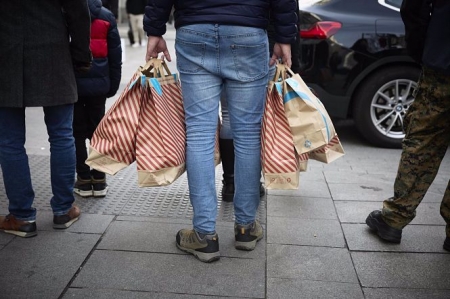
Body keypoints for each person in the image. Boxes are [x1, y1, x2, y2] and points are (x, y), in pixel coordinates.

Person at [144, 0, 297, 262]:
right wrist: (284, 35)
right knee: (248, 135)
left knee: (199, 134)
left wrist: (155, 29)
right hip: (247, 31)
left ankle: (204, 234)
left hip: (195, 27)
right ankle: (246, 227)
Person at [0, 1, 92, 237]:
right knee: (61, 135)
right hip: (54, 52)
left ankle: (21, 217)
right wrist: (81, 55)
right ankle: (63, 209)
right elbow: (78, 9)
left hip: (5, 54)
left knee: (9, 141)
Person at [366, 0, 450, 251]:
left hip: (444, 61)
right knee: (423, 138)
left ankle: (395, 217)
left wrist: (425, 47)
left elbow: (415, 7)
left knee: (424, 140)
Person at [219, 0, 302, 202]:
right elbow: (287, 8)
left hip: (215, 36)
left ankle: (230, 183)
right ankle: (250, 187)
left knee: (229, 116)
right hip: (261, 44)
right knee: (251, 122)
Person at [73, 0, 122, 198]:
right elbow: (115, 54)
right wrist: (112, 85)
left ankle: (84, 179)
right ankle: (99, 180)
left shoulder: (66, 13)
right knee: (98, 132)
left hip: (73, 83)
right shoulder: (106, 16)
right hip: (99, 86)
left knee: (75, 133)